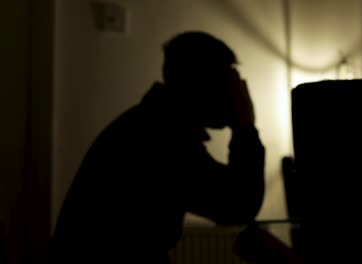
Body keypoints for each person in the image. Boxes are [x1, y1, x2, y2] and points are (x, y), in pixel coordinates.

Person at [49, 31, 265, 263]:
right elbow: (238, 205)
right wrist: (244, 126)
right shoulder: (162, 137)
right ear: (199, 83)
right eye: (226, 82)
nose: (236, 92)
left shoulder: (149, 123)